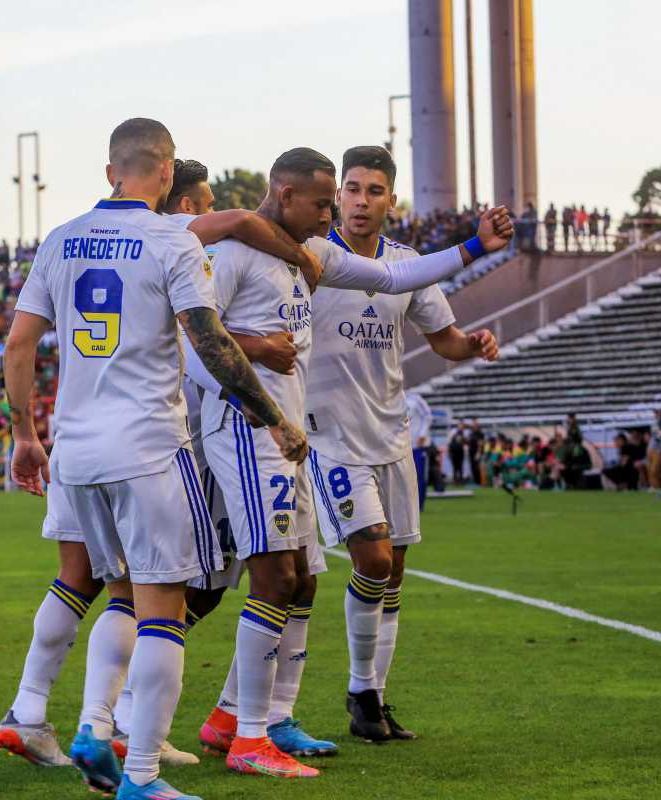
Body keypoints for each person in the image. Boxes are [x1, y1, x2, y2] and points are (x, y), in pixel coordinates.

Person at [6, 117, 303, 800]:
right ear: (166, 173)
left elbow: (19, 344)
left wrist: (25, 434)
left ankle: (91, 728)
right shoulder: (171, 238)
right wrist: (275, 418)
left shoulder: (60, 239)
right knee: (162, 610)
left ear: (111, 170)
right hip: (147, 448)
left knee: (117, 595)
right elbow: (213, 344)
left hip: (76, 455)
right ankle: (139, 775)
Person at [192, 146, 509, 778]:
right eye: (332, 196)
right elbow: (194, 341)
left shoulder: (315, 260)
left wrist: (473, 249)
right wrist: (257, 352)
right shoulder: (231, 255)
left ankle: (260, 718)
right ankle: (239, 731)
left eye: (364, 191)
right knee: (267, 579)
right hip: (266, 433)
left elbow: (396, 282)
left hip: (325, 439)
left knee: (304, 579)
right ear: (286, 195)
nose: (342, 206)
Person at [304, 145, 504, 744]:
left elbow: (443, 339)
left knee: (394, 576)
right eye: (353, 189)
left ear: (392, 199)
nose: (361, 201)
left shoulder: (409, 264)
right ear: (337, 195)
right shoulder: (311, 259)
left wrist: (474, 344)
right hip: (329, 439)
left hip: (391, 436)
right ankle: (359, 692)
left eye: (374, 191)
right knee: (373, 559)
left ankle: (372, 698)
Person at [405, 390, 433, 512]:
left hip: (418, 446)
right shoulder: (393, 399)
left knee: (419, 476)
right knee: (405, 478)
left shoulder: (416, 399)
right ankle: (408, 505)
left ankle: (419, 505)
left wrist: (422, 435)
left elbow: (428, 416)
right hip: (402, 447)